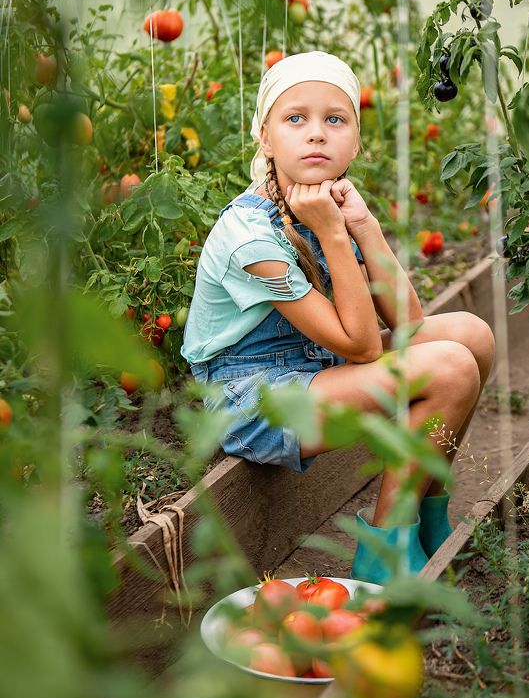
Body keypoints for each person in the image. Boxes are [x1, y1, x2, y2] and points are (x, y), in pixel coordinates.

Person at [181, 51, 495, 583]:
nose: (316, 133)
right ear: (265, 137)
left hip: (312, 367)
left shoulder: (325, 203)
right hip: (252, 397)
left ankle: (427, 512)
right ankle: (385, 545)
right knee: (451, 368)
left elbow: (409, 321)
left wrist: (363, 225)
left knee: (472, 335)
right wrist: (331, 232)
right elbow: (363, 346)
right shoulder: (250, 237)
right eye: (295, 118)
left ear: (355, 142)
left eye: (335, 119)